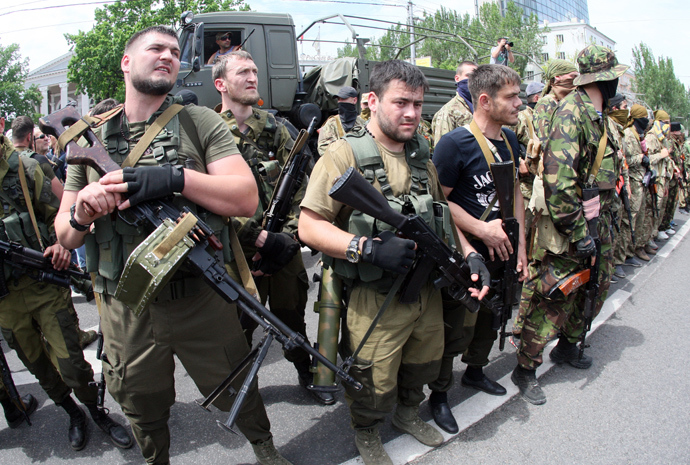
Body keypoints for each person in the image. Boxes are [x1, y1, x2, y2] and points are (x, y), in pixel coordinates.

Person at [55, 26, 292, 465]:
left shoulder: (197, 121)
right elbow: (65, 237)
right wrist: (82, 214)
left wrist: (175, 178)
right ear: (127, 62)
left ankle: (265, 449)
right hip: (126, 307)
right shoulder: (90, 141)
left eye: (175, 51)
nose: (168, 56)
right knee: (141, 403)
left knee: (237, 387)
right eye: (156, 49)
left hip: (199, 298)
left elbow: (244, 196)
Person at [299, 59, 488, 465]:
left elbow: (442, 213)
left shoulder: (423, 154)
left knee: (424, 362)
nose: (411, 113)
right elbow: (309, 227)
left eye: (418, 105)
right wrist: (365, 249)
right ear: (371, 100)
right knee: (372, 378)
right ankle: (367, 432)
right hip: (375, 294)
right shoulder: (342, 155)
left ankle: (407, 415)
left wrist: (470, 254)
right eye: (401, 102)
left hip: (426, 291)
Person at [0, 117, 132, 450]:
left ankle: (95, 411)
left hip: (43, 285)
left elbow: (64, 211)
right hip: (4, 301)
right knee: (36, 365)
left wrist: (61, 243)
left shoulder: (23, 168)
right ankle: (72, 413)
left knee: (72, 364)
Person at [212, 51, 333, 405]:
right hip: (235, 251)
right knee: (236, 327)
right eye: (242, 72)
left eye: (254, 70)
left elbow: (305, 186)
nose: (252, 77)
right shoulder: (207, 132)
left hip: (284, 247)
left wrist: (288, 239)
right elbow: (207, 196)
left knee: (291, 317)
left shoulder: (278, 128)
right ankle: (239, 391)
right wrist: (256, 236)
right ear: (220, 84)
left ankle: (305, 370)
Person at [513, 45, 628, 405]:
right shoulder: (572, 115)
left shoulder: (597, 116)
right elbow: (558, 184)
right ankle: (525, 367)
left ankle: (568, 346)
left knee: (594, 287)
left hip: (600, 221)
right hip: (575, 225)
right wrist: (579, 234)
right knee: (554, 296)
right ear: (605, 79)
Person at [429, 64, 528, 433]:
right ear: (484, 101)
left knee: (491, 320)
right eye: (511, 97)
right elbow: (440, 202)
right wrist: (480, 231)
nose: (520, 103)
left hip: (502, 253)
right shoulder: (455, 144)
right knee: (456, 327)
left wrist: (520, 247)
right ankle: (439, 396)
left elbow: (515, 192)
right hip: (467, 254)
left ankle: (474, 372)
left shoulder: (511, 141)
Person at [620, 104, 650, 265]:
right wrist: (640, 158)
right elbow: (627, 160)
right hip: (631, 181)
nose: (647, 120)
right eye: (644, 117)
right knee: (627, 221)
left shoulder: (639, 135)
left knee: (637, 219)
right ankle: (622, 257)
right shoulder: (628, 135)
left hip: (640, 181)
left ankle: (632, 250)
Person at [11, 117, 64, 201]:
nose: (46, 138)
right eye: (42, 136)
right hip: (34, 213)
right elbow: (61, 197)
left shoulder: (4, 159)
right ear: (29, 137)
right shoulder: (39, 161)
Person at [533, 60, 579, 143]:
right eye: (573, 76)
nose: (576, 81)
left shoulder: (573, 100)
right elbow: (545, 139)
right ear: (557, 76)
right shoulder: (546, 103)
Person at [431, 61, 477, 143]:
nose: (473, 80)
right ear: (457, 79)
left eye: (476, 76)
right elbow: (443, 149)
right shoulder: (448, 112)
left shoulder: (482, 107)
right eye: (468, 76)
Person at [317, 86, 366, 156]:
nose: (340, 102)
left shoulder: (363, 123)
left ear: (354, 100)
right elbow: (323, 149)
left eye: (343, 99)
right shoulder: (332, 123)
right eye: (339, 99)